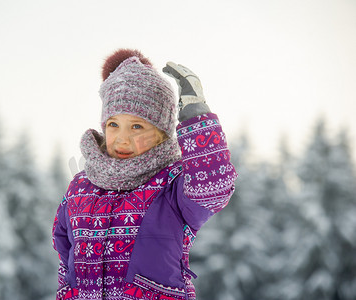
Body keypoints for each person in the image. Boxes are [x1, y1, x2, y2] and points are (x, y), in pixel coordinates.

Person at [52, 48, 237, 300]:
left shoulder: (171, 187)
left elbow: (214, 186)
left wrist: (196, 116)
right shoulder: (81, 187)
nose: (122, 138)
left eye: (137, 126)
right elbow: (65, 252)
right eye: (113, 124)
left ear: (161, 133)